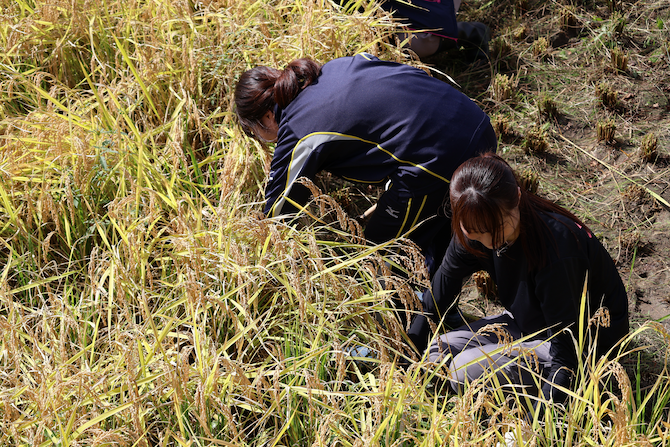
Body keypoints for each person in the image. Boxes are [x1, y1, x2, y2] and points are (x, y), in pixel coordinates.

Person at [234, 53, 497, 277]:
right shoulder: (338, 66)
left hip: (436, 160)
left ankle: (407, 312)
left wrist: (255, 261)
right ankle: (441, 306)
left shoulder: (297, 129)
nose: (263, 140)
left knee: (378, 256)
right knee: (437, 227)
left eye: (254, 132)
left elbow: (277, 216)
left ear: (267, 117)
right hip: (478, 126)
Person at [411, 153, 629, 408]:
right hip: (527, 321)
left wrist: (541, 422)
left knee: (463, 370)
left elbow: (565, 357)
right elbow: (437, 298)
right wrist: (405, 357)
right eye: (476, 232)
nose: (490, 242)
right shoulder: (473, 226)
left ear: (517, 197)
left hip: (583, 346)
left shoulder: (556, 250)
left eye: (497, 228)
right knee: (436, 353)